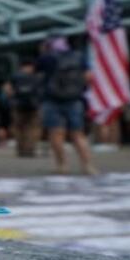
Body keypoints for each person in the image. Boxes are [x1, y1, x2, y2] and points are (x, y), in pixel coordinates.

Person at [37, 36, 98, 175]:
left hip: (52, 99)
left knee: (56, 133)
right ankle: (88, 166)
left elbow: (39, 73)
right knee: (78, 134)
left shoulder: (47, 58)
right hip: (75, 99)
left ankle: (62, 165)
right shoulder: (79, 56)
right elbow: (89, 76)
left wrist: (43, 50)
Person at [10, 59, 41, 157]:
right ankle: (30, 149)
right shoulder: (36, 77)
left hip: (18, 105)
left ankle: (20, 149)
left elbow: (8, 90)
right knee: (32, 128)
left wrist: (13, 99)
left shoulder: (14, 77)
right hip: (34, 106)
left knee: (19, 128)